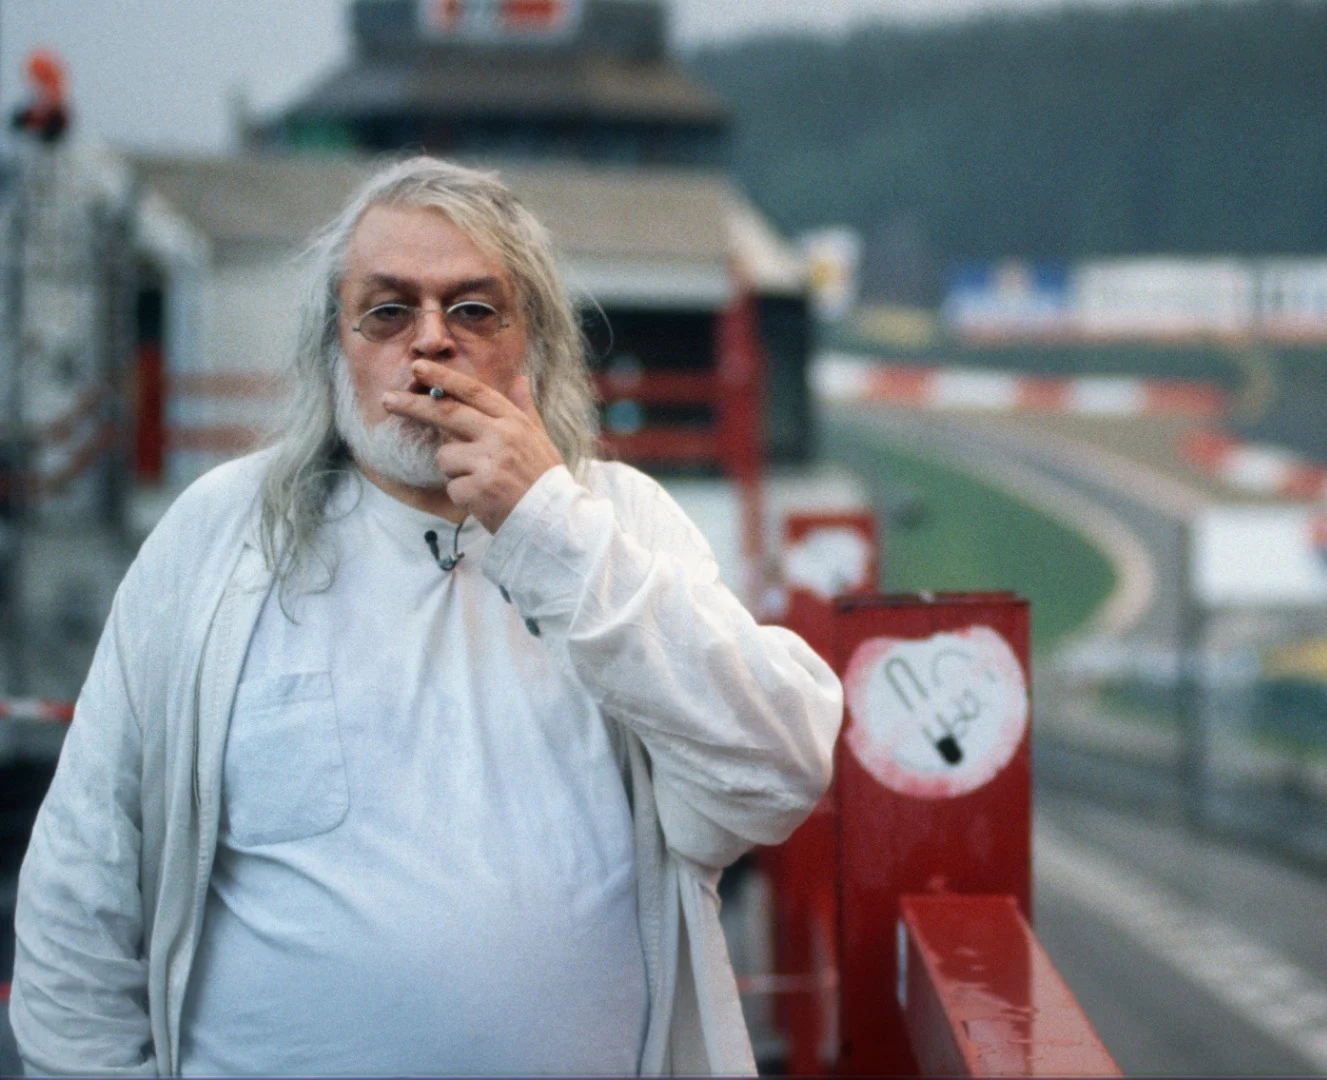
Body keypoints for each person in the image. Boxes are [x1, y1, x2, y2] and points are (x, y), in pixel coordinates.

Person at [8, 156, 843, 1075]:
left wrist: (544, 525)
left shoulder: (620, 523)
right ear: (335, 346)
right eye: (388, 310)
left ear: (536, 344)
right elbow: (81, 878)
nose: (431, 342)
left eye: (475, 310)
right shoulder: (220, 533)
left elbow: (778, 772)